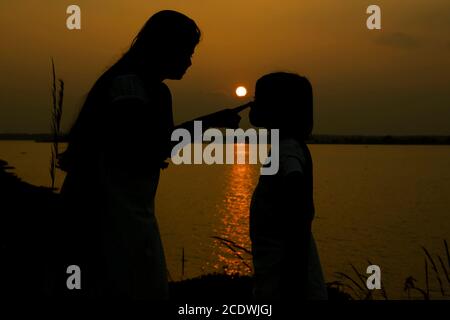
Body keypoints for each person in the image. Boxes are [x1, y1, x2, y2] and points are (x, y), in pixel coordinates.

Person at [55, 10, 241, 299]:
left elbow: (154, 145)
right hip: (105, 215)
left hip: (130, 213)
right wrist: (210, 123)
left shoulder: (153, 92)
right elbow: (145, 146)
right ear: (165, 48)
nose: (190, 61)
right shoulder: (127, 88)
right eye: (186, 52)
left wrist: (209, 123)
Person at [249, 72, 328, 300]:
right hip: (282, 276)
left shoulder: (286, 150)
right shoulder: (286, 147)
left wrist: (291, 282)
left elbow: (296, 195)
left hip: (288, 281)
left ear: (277, 109)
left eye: (259, 98)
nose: (252, 103)